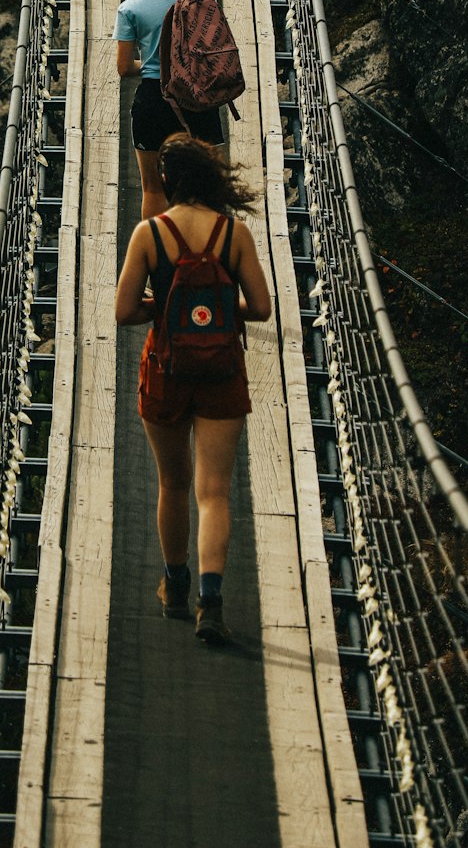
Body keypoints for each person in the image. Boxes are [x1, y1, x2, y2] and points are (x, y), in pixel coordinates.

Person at [114, 133, 272, 644]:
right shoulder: (234, 234)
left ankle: (174, 585)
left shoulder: (149, 234)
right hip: (222, 370)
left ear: (167, 180)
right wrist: (219, 314)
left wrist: (166, 312)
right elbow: (262, 307)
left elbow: (123, 312)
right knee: (214, 492)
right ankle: (211, 603)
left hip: (166, 367)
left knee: (173, 484)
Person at [115, 0, 225, 219]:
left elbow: (124, 68)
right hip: (198, 98)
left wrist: (156, 65)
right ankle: (205, 250)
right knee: (205, 184)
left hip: (153, 98)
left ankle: (155, 256)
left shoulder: (130, 9)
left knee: (152, 189)